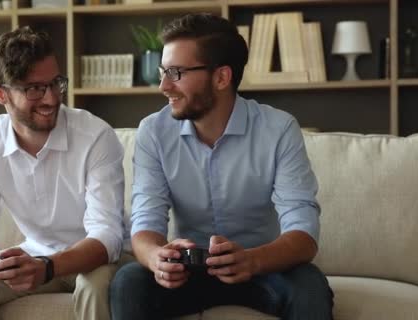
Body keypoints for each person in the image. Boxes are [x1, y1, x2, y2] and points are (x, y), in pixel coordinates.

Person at [110, 13, 333, 320]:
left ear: (221, 77)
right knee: (128, 282)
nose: (163, 86)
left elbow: (304, 233)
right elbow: (146, 222)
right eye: (164, 71)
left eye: (175, 72)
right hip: (188, 272)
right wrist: (157, 258)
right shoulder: (153, 132)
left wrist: (252, 260)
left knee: (310, 285)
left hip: (261, 267)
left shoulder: (279, 129)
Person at [0, 26, 125, 320]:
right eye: (34, 89)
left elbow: (107, 235)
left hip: (96, 260)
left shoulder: (95, 135)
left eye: (55, 83)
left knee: (96, 287)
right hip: (36, 254)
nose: (51, 98)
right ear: (0, 93)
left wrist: (48, 267)